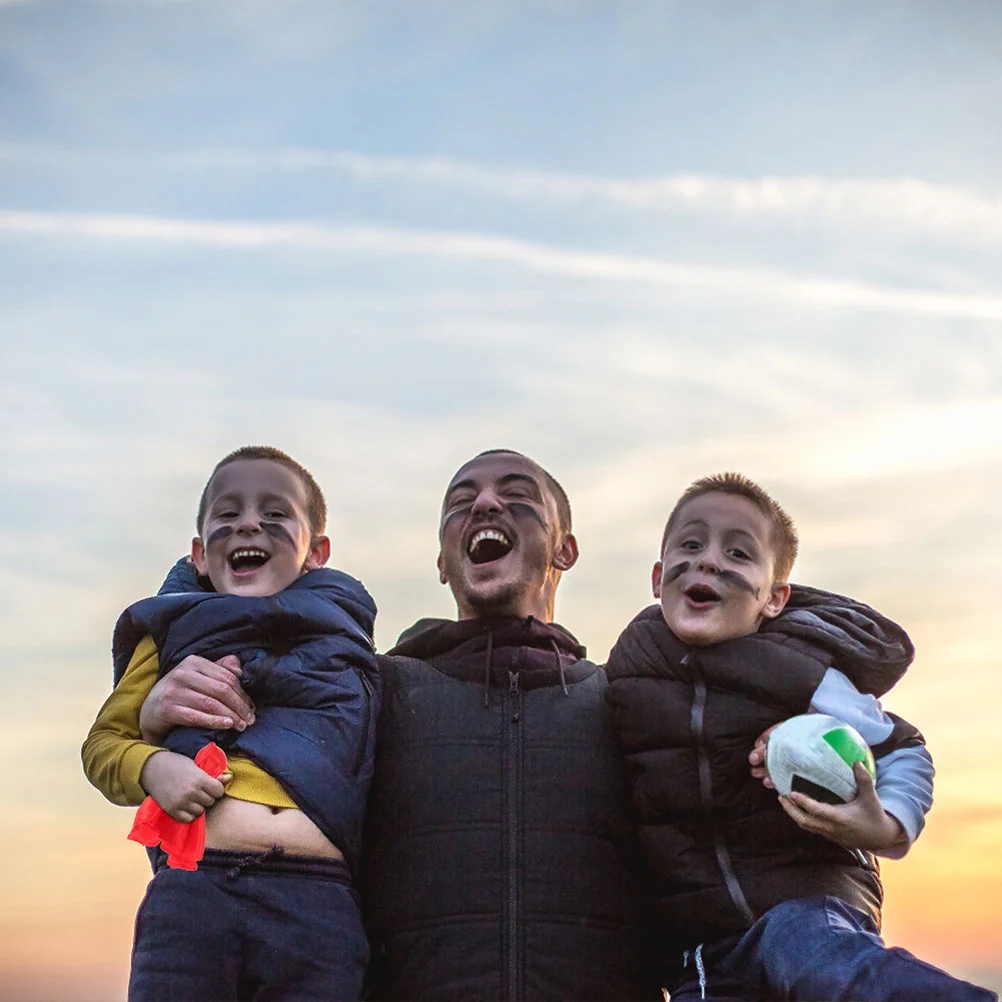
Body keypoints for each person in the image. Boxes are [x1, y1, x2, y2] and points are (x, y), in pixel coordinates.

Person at [136, 448, 656, 1001]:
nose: (484, 503)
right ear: (441, 563)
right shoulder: (367, 690)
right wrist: (154, 715)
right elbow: (229, 805)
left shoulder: (622, 703)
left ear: (565, 549)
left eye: (518, 495)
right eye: (460, 502)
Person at [605, 472, 996, 1001]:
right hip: (701, 950)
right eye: (691, 544)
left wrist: (884, 826)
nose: (710, 561)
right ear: (657, 578)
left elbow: (904, 747)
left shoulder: (800, 671)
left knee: (838, 978)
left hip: (805, 908)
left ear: (774, 597)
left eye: (739, 554)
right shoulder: (626, 675)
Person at [82, 446, 380, 1002]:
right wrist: (154, 765)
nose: (249, 523)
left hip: (320, 905)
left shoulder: (351, 646)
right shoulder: (170, 633)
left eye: (275, 514)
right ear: (199, 553)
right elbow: (102, 745)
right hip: (196, 891)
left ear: (317, 552)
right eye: (228, 514)